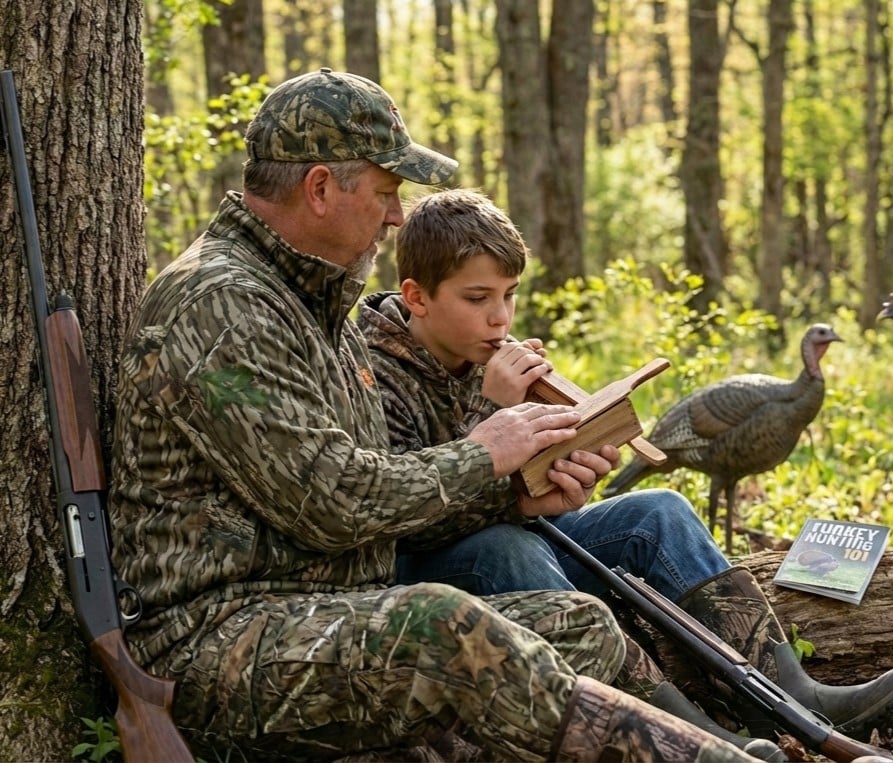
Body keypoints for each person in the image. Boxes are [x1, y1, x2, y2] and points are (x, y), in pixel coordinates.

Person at [108, 68, 779, 762]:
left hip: (322, 610)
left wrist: (517, 493)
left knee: (576, 623)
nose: (397, 216)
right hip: (219, 641)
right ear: (319, 188)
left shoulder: (311, 300)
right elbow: (333, 501)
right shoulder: (221, 302)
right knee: (444, 627)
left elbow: (380, 501)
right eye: (386, 192)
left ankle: (720, 738)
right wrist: (488, 448)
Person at [358, 187, 893, 741]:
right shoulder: (369, 371)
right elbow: (404, 519)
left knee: (659, 511)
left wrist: (567, 466)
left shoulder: (487, 358)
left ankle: (786, 691)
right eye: (477, 299)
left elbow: (518, 490)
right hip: (431, 583)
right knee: (514, 547)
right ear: (417, 297)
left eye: (508, 295)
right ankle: (679, 733)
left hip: (513, 538)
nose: (499, 317)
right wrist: (494, 408)